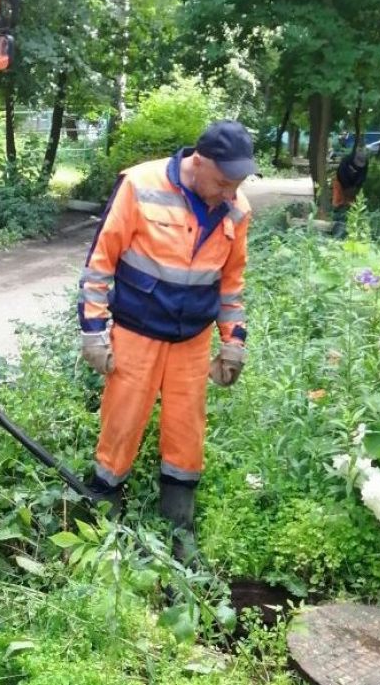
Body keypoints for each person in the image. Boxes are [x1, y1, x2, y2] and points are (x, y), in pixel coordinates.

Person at [77, 120, 253, 559]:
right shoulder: (140, 185)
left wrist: (233, 341)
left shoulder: (236, 209)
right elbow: (100, 263)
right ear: (201, 162)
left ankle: (180, 531)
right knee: (121, 425)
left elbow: (231, 284)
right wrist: (94, 332)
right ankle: (101, 522)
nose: (230, 193)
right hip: (136, 333)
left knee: (186, 433)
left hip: (192, 341)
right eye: (225, 182)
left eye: (238, 184)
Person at [331, 149, 368, 239]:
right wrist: (346, 187)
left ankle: (350, 216)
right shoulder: (346, 160)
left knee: (353, 201)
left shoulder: (365, 163)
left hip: (353, 184)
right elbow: (341, 173)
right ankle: (336, 214)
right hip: (341, 181)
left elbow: (362, 176)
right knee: (339, 199)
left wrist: (356, 186)